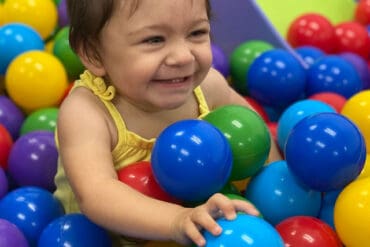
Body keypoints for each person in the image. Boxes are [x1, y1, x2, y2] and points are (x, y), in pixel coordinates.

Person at [54, 0, 282, 246]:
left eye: (196, 33)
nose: (183, 57)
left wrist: (279, 191)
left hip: (204, 224)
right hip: (104, 238)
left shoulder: (208, 86)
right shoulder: (87, 113)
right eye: (154, 40)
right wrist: (178, 220)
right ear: (93, 53)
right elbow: (97, 194)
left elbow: (257, 137)